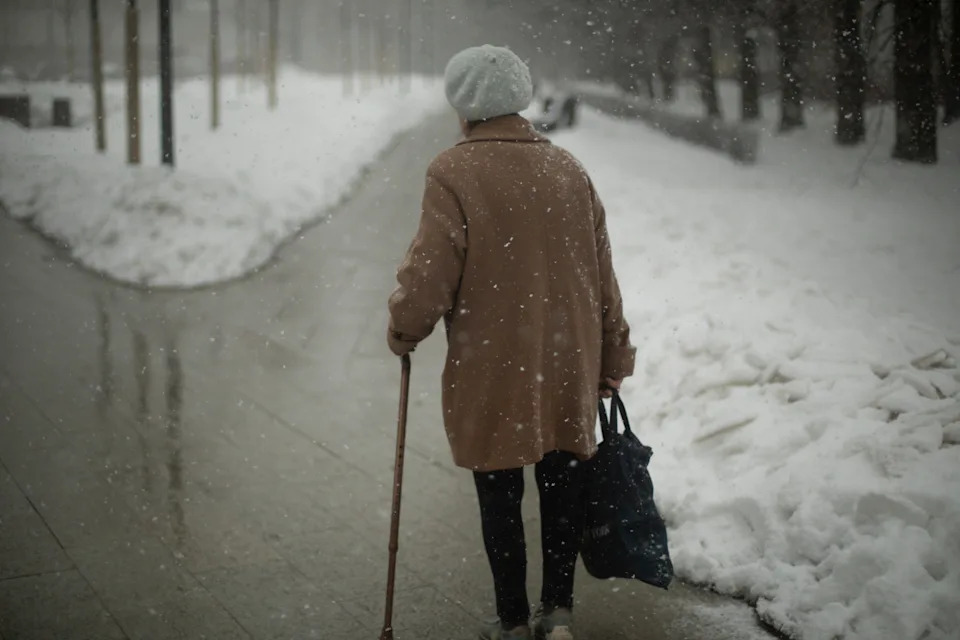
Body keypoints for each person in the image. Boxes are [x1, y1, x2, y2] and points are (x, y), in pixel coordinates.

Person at [386, 45, 636, 640]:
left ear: (465, 106)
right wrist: (614, 353)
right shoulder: (569, 169)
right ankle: (559, 614)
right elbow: (603, 277)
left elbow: (430, 275)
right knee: (562, 490)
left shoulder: (453, 171)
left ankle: (513, 621)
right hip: (567, 360)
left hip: (492, 365)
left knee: (499, 494)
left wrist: (405, 326)